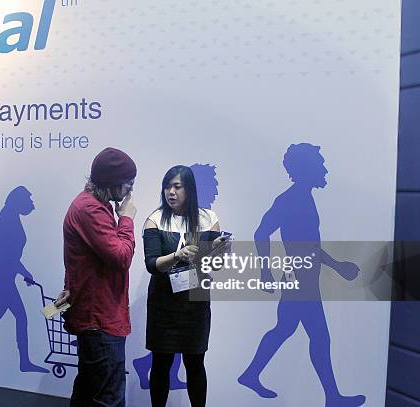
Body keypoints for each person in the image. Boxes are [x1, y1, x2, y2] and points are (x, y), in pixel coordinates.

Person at [237, 143, 365, 407]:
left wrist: (337, 265)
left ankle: (251, 374)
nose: (324, 169)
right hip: (299, 279)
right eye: (319, 164)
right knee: (318, 336)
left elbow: (311, 247)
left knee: (285, 329)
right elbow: (261, 233)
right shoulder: (291, 199)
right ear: (306, 168)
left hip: (301, 277)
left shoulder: (303, 197)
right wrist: (264, 272)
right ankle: (332, 397)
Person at [143, 165, 227, 407]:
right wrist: (177, 256)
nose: (171, 192)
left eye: (177, 186)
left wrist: (221, 251)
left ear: (189, 189)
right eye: (167, 186)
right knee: (161, 363)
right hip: (163, 302)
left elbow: (214, 265)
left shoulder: (208, 218)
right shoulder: (155, 219)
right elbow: (151, 264)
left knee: (195, 363)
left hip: (195, 303)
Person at [59, 147, 137, 407]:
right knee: (108, 398)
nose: (130, 191)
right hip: (100, 319)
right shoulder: (91, 209)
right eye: (128, 184)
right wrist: (126, 219)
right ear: (113, 183)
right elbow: (121, 258)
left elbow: (82, 260)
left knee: (88, 391)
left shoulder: (94, 206)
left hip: (95, 314)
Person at [0, 186, 48, 373]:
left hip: (3, 276)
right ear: (18, 200)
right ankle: (24, 362)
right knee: (21, 316)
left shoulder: (9, 217)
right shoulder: (7, 220)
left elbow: (0, 252)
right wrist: (23, 271)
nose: (31, 204)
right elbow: (0, 252)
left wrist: (21, 271)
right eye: (28, 200)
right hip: (3, 277)